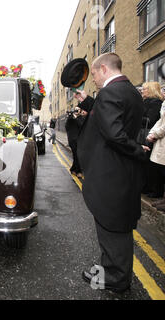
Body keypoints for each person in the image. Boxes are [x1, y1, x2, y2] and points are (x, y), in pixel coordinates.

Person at [75, 53, 149, 293]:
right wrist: (88, 102)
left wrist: (137, 149)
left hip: (111, 174)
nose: (93, 79)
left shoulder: (109, 93)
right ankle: (114, 269)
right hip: (122, 172)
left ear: (104, 69)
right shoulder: (129, 91)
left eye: (94, 74)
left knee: (111, 225)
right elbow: (110, 115)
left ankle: (116, 278)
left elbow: (115, 133)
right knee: (117, 224)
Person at [139, 82, 164, 198]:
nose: (142, 91)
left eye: (144, 89)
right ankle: (145, 186)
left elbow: (151, 119)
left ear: (151, 90)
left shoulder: (155, 103)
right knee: (144, 162)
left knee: (150, 163)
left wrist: (136, 116)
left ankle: (151, 188)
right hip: (147, 134)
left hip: (150, 135)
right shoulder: (145, 102)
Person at [65, 108, 83, 177]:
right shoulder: (70, 119)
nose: (76, 111)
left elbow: (81, 125)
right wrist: (70, 117)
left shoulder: (80, 118)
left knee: (77, 156)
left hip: (79, 140)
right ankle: (78, 171)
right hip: (72, 140)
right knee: (76, 155)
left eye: (77, 110)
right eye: (75, 110)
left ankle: (73, 169)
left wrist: (76, 118)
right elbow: (67, 127)